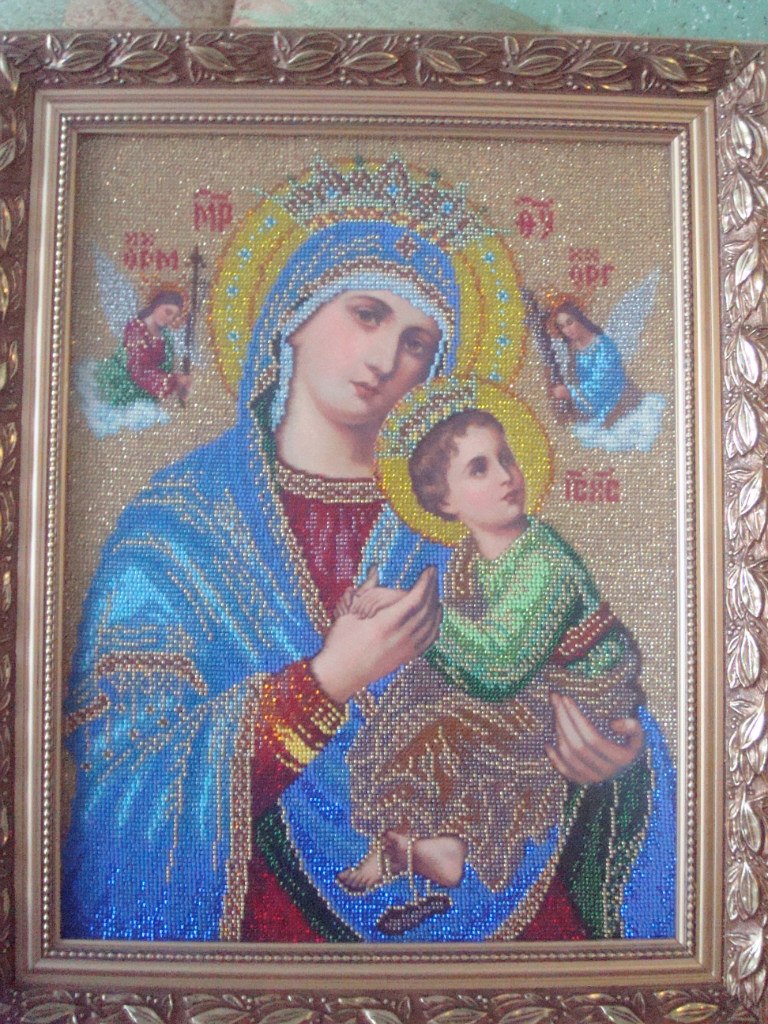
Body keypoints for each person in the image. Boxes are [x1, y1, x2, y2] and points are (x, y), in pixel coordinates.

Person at [61, 158, 673, 944]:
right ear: (292, 312)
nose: (387, 360)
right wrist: (322, 685)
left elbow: (572, 675)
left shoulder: (465, 520)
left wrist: (612, 759)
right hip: (260, 935)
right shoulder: (178, 533)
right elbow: (121, 780)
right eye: (367, 314)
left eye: (417, 342)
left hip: (506, 925)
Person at [335, 399, 644, 933]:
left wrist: (414, 611)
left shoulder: (542, 559)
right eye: (480, 468)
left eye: (506, 458)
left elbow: (499, 667)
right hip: (528, 684)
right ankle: (407, 838)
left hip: (580, 697)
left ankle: (450, 845)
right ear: (444, 500)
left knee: (446, 720)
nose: (506, 476)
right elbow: (471, 652)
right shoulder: (470, 561)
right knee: (416, 692)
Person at [548, 299, 665, 452]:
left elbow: (603, 382)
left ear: (580, 318)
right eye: (562, 326)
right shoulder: (572, 350)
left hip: (619, 405)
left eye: (569, 322)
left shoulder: (603, 345)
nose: (567, 330)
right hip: (591, 408)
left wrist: (570, 392)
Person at [95, 289, 192, 407]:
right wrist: (174, 381)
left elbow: (165, 368)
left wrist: (180, 384)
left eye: (174, 316)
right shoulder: (135, 330)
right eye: (168, 312)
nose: (170, 319)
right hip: (123, 389)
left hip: (149, 394)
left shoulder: (166, 337)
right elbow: (139, 371)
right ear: (157, 305)